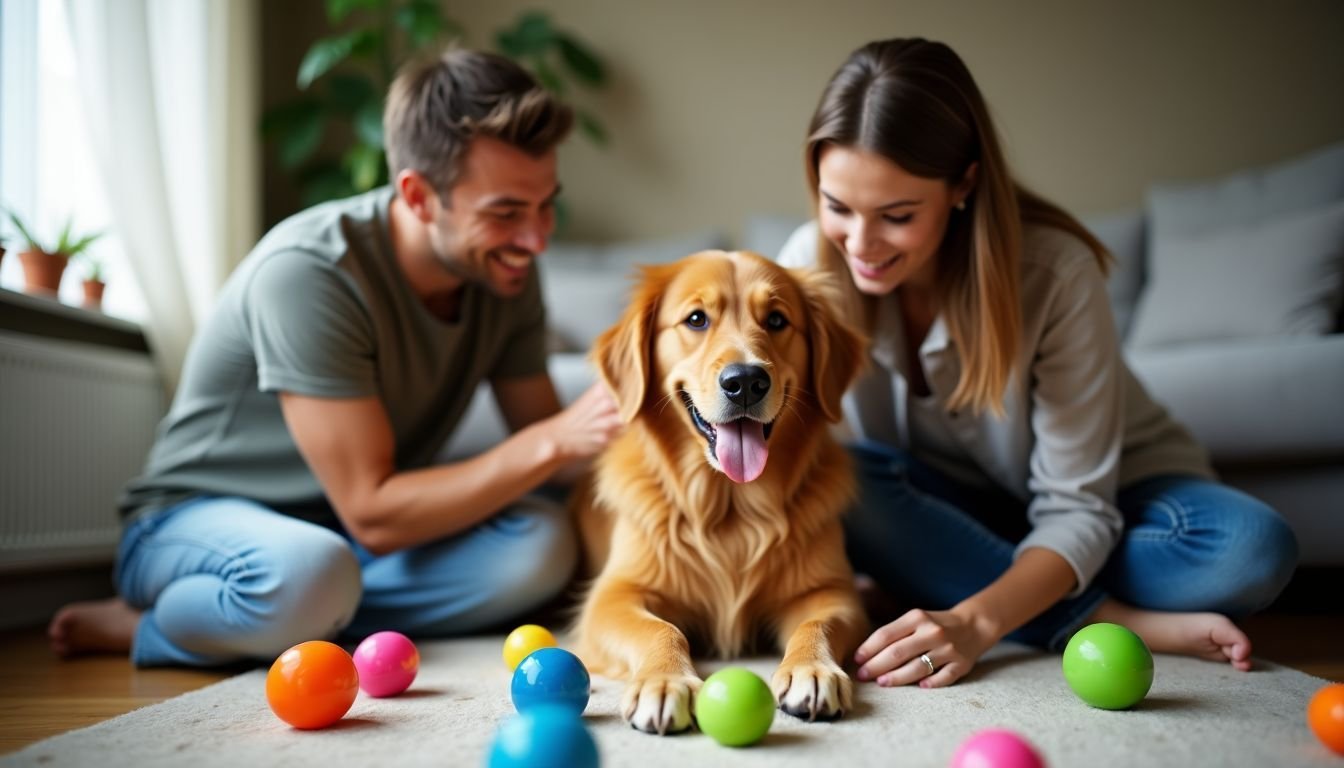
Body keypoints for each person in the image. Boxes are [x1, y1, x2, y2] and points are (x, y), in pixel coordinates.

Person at [47, 49, 622, 667]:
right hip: (193, 522)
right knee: (311, 571)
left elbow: (553, 454)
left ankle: (292, 613)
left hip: (344, 547)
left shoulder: (506, 273)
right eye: (505, 212)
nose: (536, 238)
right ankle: (151, 626)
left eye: (544, 205)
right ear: (419, 196)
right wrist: (555, 441)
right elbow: (377, 510)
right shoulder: (310, 273)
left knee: (538, 548)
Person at [777, 38, 1298, 689]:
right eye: (838, 207)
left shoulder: (1054, 271)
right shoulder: (805, 265)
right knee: (838, 476)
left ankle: (969, 582)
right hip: (950, 511)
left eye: (897, 215)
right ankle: (1103, 615)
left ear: (964, 183)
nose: (860, 244)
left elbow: (1080, 508)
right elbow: (789, 445)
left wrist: (974, 622)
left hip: (1115, 497)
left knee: (1250, 550)